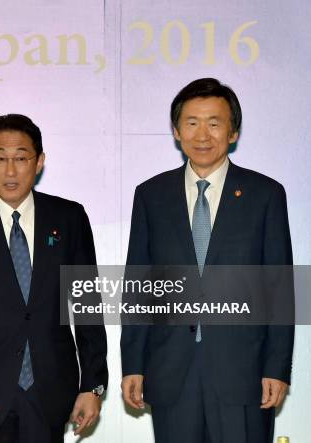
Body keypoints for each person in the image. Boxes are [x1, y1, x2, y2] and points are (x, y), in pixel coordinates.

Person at [121, 78, 294, 442]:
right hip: (170, 370)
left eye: (214, 123)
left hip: (243, 372)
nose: (203, 134)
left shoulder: (265, 195)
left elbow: (280, 289)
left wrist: (277, 367)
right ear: (176, 131)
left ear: (232, 132)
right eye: (192, 122)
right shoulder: (151, 195)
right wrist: (133, 364)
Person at [0, 114, 108, 443]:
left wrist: (92, 385)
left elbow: (87, 309)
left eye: (21, 158)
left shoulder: (69, 218)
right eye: (0, 158)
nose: (10, 171)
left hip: (51, 391)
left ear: (39, 161)